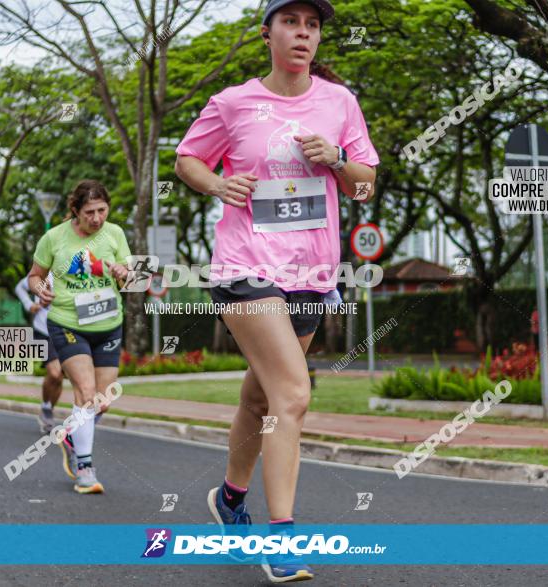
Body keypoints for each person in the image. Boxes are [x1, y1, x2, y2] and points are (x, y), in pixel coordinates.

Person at [174, 0, 379, 582]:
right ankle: (282, 537)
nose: (303, 34)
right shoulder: (234, 103)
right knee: (292, 394)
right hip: (246, 267)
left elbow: (364, 182)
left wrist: (337, 159)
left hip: (312, 272)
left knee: (260, 400)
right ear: (267, 34)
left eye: (312, 26)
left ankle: (230, 500)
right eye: (292, 22)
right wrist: (218, 182)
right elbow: (187, 156)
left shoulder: (340, 103)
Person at [27, 180, 131, 494]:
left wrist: (124, 273)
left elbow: (129, 272)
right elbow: (35, 276)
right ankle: (85, 468)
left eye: (102, 210)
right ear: (75, 211)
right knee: (85, 395)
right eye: (89, 212)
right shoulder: (54, 238)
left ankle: (73, 433)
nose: (97, 218)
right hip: (68, 323)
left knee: (103, 401)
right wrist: (41, 290)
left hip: (109, 324)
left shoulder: (115, 234)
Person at [14, 272, 64, 433]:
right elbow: (20, 287)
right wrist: (29, 305)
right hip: (43, 331)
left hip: (66, 332)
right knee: (55, 373)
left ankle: (48, 410)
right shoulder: (43, 273)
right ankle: (45, 405)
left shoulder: (74, 273)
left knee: (59, 377)